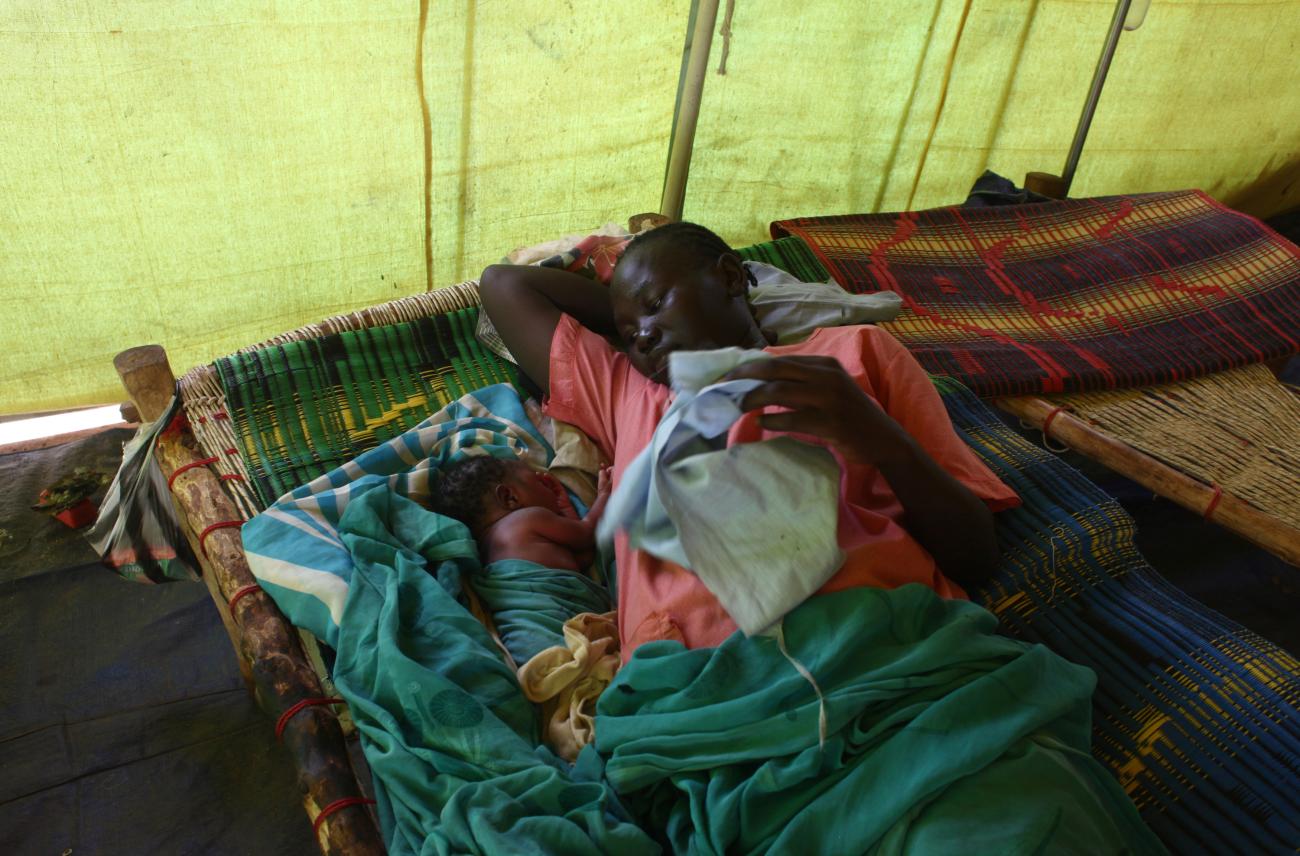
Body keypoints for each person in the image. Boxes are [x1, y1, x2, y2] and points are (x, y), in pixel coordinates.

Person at [480, 222, 1020, 656]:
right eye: (627, 330)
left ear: (732, 277)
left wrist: (874, 434)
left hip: (884, 641)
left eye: (654, 302)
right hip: (700, 685)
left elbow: (975, 556)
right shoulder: (631, 394)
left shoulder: (853, 354)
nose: (640, 334)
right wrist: (637, 310)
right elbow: (506, 286)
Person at [433, 455, 612, 574]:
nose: (548, 487)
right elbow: (585, 534)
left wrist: (565, 509)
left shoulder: (489, 557)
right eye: (538, 482)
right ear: (510, 497)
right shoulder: (528, 518)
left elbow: (582, 560)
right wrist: (605, 494)